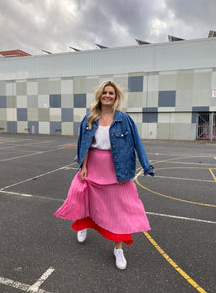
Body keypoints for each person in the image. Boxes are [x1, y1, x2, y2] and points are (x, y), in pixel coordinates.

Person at [54, 80, 154, 270]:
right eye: (105, 93)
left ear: (116, 97)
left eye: (111, 93)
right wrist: (82, 166)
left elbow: (137, 143)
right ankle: (83, 224)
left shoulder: (124, 119)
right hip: (92, 166)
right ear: (99, 95)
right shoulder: (90, 118)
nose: (108, 96)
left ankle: (118, 249)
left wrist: (146, 165)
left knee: (118, 211)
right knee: (84, 198)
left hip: (117, 170)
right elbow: (83, 144)